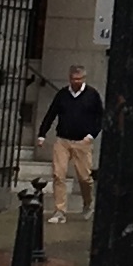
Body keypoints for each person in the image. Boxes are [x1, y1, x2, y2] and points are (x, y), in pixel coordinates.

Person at [37, 65, 105, 220]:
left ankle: (88, 203)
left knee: (84, 177)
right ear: (69, 78)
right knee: (58, 174)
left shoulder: (92, 95)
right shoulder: (62, 95)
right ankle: (60, 210)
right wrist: (42, 134)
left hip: (82, 141)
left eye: (79, 79)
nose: (76, 82)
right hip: (63, 139)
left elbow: (100, 117)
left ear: (84, 79)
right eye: (73, 79)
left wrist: (91, 135)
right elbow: (51, 114)